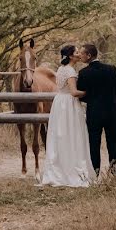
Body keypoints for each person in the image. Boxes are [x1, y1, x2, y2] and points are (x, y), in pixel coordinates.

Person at [39, 44, 95, 187]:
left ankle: (61, 168)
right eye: (76, 52)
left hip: (60, 103)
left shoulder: (61, 69)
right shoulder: (69, 71)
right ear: (70, 56)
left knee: (61, 135)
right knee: (72, 135)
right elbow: (74, 92)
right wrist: (90, 93)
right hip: (69, 104)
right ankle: (70, 170)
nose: (78, 54)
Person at [76, 43, 116, 175]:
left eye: (82, 53)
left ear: (89, 55)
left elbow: (82, 95)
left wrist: (91, 98)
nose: (80, 56)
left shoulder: (84, 73)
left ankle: (94, 173)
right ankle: (115, 173)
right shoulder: (111, 69)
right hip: (112, 113)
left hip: (94, 114)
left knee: (94, 145)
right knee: (113, 144)